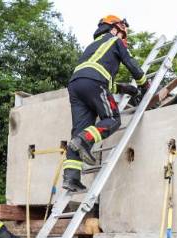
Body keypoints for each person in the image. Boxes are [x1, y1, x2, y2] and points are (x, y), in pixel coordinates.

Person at [62, 15, 151, 192]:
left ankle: (71, 178)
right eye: (122, 33)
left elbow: (104, 79)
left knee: (78, 130)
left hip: (76, 85)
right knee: (112, 119)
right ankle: (84, 140)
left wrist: (128, 89)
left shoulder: (92, 48)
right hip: (94, 83)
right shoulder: (114, 41)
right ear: (113, 29)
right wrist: (144, 85)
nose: (123, 38)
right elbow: (131, 64)